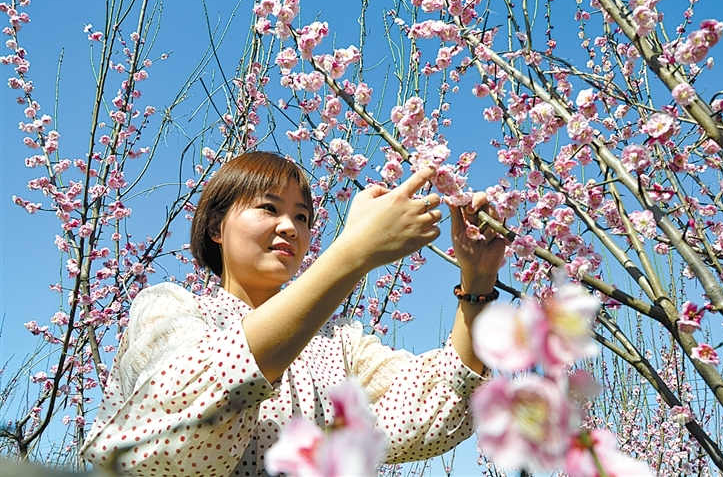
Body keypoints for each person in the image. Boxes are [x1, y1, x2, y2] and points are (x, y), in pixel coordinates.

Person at [82, 151, 506, 476]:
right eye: (269, 208)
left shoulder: (337, 343)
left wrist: (478, 278)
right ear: (216, 228)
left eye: (301, 217)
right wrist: (353, 253)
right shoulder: (172, 308)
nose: (290, 226)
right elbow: (178, 433)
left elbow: (437, 404)